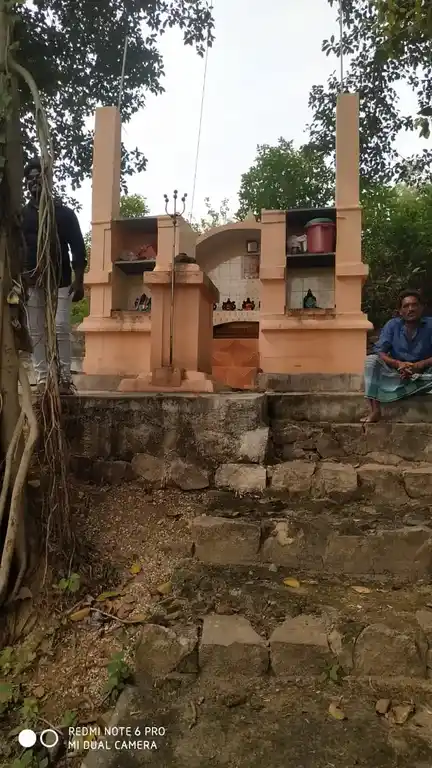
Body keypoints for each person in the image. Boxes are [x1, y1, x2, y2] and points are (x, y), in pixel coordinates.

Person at [22, 158, 87, 394]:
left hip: (60, 279)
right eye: (28, 180)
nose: (33, 183)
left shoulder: (64, 214)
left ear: (48, 180)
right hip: (32, 280)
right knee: (36, 330)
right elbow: (18, 248)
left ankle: (64, 377)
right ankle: (42, 378)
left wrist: (79, 279)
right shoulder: (23, 216)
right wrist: (21, 276)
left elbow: (78, 247)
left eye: (37, 178)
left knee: (60, 326)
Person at [363, 290, 432, 423]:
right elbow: (379, 351)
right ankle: (375, 411)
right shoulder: (392, 325)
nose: (410, 309)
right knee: (371, 360)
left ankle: (413, 387)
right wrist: (398, 364)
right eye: (406, 306)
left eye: (414, 305)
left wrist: (419, 365)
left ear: (422, 307)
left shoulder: (430, 324)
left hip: (425, 375)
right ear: (400, 311)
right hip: (398, 376)